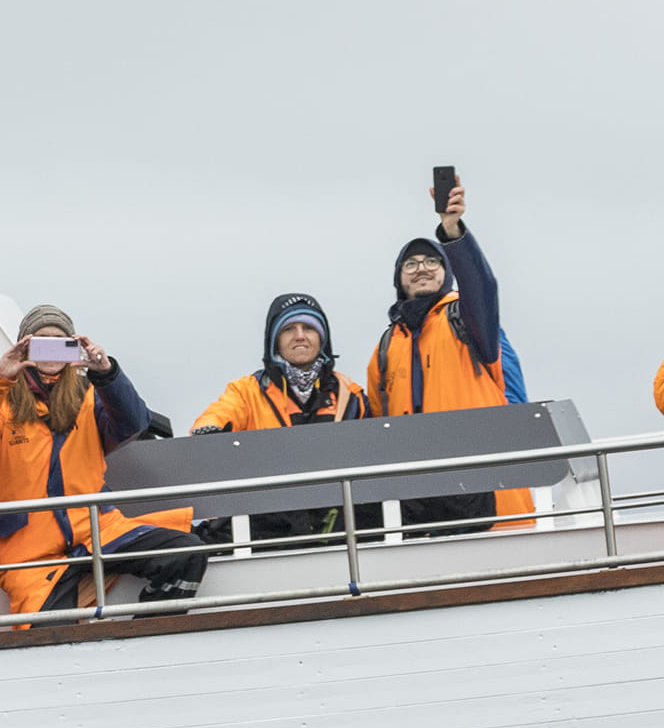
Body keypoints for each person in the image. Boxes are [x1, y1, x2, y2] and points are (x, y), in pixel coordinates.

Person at [0, 305, 206, 618]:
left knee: (186, 553)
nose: (51, 348)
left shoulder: (91, 395)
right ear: (23, 347)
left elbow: (134, 423)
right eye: (41, 341)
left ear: (73, 347)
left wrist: (106, 373)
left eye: (60, 341)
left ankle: (148, 637)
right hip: (30, 552)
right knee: (48, 631)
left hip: (98, 531)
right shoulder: (2, 401)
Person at [367, 181, 534, 534]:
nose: (421, 268)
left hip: (493, 509)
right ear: (399, 278)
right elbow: (378, 431)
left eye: (431, 260)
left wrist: (452, 231)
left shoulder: (468, 320)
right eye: (410, 264)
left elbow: (483, 288)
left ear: (447, 272)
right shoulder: (383, 350)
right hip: (422, 519)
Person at [192, 293, 375, 543]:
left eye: (309, 327)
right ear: (275, 341)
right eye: (289, 329)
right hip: (270, 521)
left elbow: (372, 451)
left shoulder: (350, 395)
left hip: (337, 523)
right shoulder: (247, 390)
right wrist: (208, 430)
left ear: (322, 338)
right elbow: (218, 414)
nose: (300, 335)